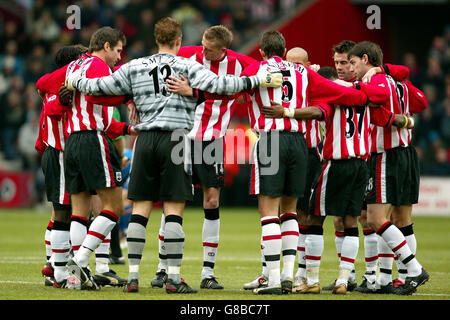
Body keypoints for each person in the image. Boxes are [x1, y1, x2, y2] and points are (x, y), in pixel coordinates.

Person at [64, 17, 282, 294]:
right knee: (174, 207)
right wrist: (257, 79)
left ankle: (132, 278)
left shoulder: (134, 66)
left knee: (141, 206)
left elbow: (101, 87)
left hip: (144, 139)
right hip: (177, 139)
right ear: (180, 41)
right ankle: (174, 278)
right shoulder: (188, 65)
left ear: (157, 39)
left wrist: (75, 80)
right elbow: (222, 85)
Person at [235, 30, 377, 295]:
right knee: (291, 212)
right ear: (284, 49)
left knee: (270, 213)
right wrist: (367, 96)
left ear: (263, 52)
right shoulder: (305, 75)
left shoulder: (257, 69)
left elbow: (232, 89)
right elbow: (338, 94)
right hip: (300, 145)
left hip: (273, 141)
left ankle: (276, 279)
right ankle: (288, 276)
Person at [261, 66, 415, 294]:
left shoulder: (331, 94)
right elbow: (386, 106)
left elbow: (318, 112)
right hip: (362, 164)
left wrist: (287, 112)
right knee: (350, 222)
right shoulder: (364, 94)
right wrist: (408, 122)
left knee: (314, 219)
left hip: (336, 162)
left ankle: (311, 281)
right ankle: (344, 280)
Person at [150, 25, 258, 291]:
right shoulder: (188, 54)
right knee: (174, 200)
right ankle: (163, 268)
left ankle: (208, 272)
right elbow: (159, 59)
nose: (203, 49)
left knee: (212, 199)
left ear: (223, 50)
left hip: (213, 140)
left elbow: (266, 68)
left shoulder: (239, 63)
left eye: (208, 48)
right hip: (181, 136)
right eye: (202, 45)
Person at [345, 41, 430, 295]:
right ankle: (401, 279)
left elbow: (379, 113)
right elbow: (422, 102)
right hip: (406, 154)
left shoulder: (377, 84)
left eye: (352, 63)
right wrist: (405, 118)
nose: (351, 68)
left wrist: (394, 118)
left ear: (365, 59)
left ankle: (414, 269)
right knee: (402, 220)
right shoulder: (398, 82)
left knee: (374, 218)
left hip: (385, 156)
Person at [62, 26, 137, 290]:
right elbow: (102, 103)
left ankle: (73, 280)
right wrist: (130, 96)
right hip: (92, 140)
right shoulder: (97, 66)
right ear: (105, 46)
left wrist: (128, 128)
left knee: (79, 211)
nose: (119, 57)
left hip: (71, 141)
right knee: (114, 206)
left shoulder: (75, 66)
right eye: (117, 50)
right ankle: (80, 261)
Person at [35, 45, 87, 289]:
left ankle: (54, 267)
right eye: (83, 57)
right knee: (64, 213)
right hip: (60, 153)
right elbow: (54, 108)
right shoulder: (60, 81)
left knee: (63, 213)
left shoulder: (54, 80)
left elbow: (41, 85)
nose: (87, 61)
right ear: (74, 62)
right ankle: (60, 273)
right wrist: (65, 99)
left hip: (63, 153)